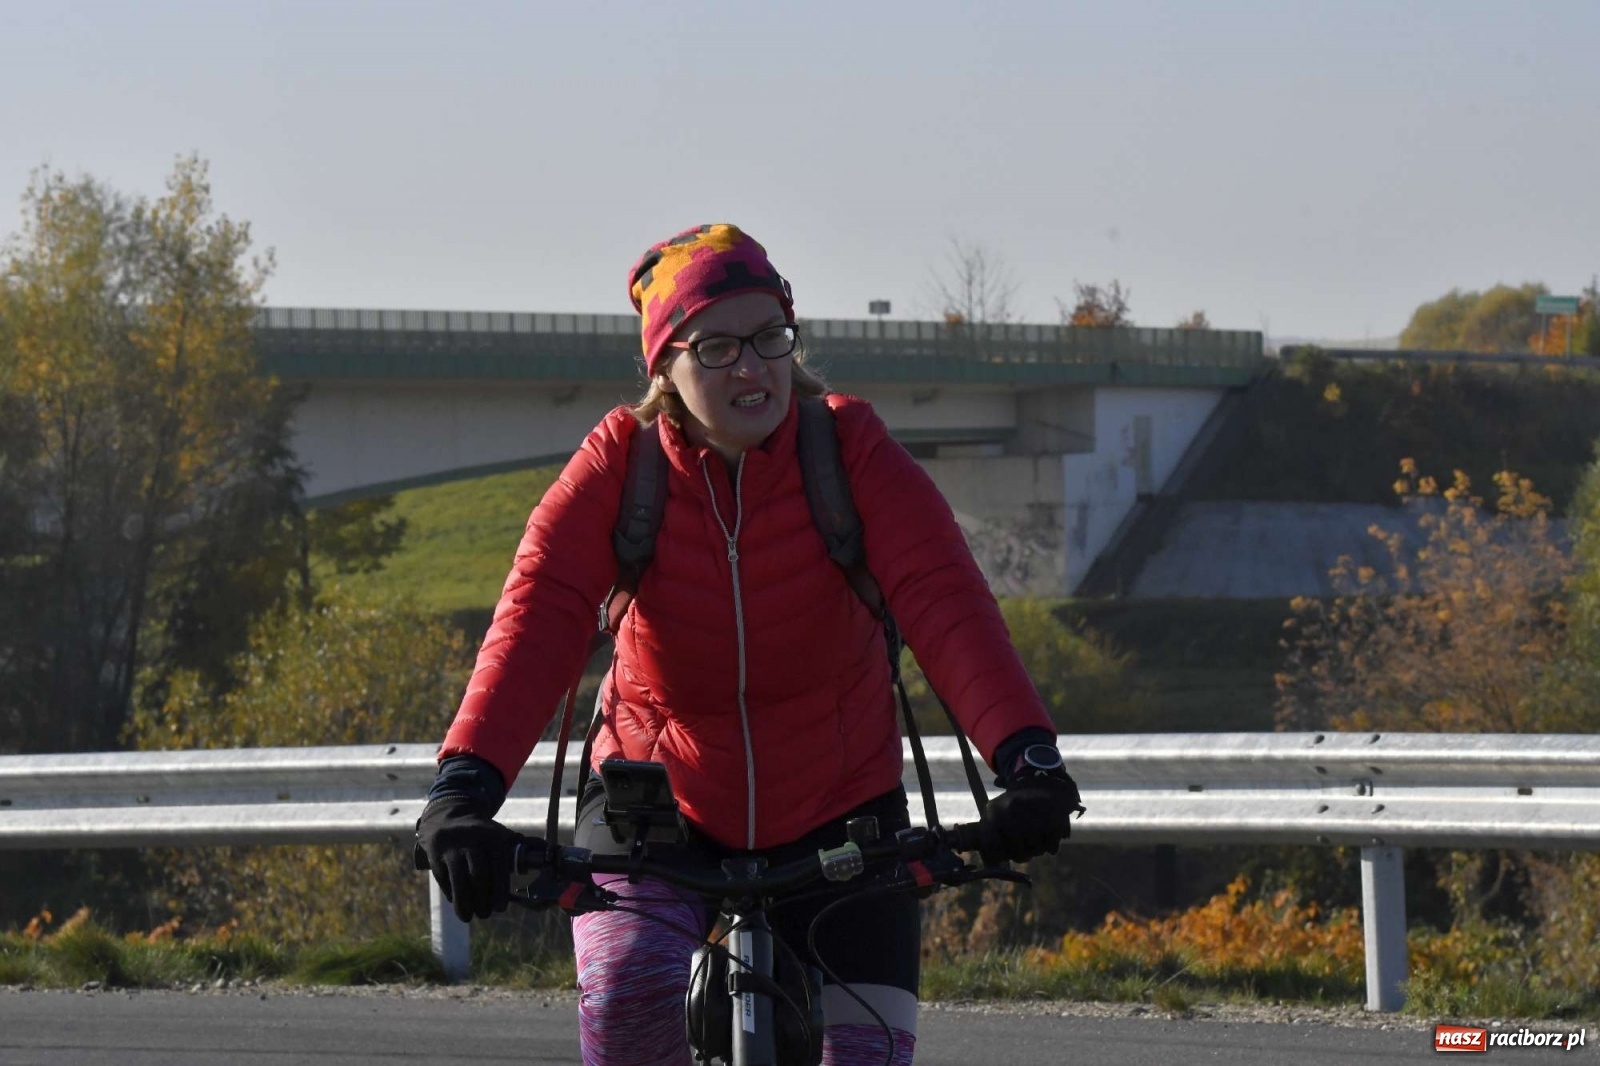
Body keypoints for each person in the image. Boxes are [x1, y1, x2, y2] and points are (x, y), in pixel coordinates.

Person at [415, 223, 1082, 1065]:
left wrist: (1025, 759)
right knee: (630, 1018)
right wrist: (463, 787)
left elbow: (947, 604)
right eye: (718, 345)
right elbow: (537, 618)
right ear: (664, 366)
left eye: (770, 338)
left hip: (839, 808)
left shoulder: (852, 452)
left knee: (867, 1053)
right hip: (654, 806)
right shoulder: (618, 469)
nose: (750, 367)